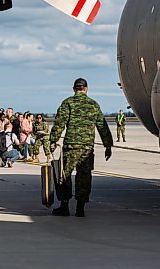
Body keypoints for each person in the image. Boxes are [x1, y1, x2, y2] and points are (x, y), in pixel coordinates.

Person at [49, 78, 113, 217]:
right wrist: (108, 145)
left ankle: (64, 206)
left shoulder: (68, 103)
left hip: (71, 146)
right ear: (86, 88)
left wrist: (53, 141)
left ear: (74, 89)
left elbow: (59, 123)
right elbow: (102, 126)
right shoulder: (93, 104)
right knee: (84, 176)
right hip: (87, 148)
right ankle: (80, 208)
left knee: (65, 175)